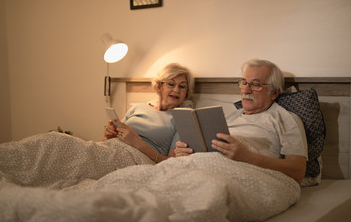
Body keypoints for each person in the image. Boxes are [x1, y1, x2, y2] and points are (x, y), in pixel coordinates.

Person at [175, 59, 308, 184]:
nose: (246, 90)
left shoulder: (285, 119)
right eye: (244, 82)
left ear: (274, 93)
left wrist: (248, 157)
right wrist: (184, 154)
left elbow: (298, 171)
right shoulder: (229, 117)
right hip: (201, 169)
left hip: (237, 177)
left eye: (256, 85)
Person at [103, 63, 194, 163]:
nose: (176, 90)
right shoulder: (137, 107)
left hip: (134, 159)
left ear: (186, 93)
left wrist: (136, 142)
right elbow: (108, 141)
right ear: (159, 86)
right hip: (110, 149)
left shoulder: (182, 119)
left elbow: (171, 162)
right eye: (171, 84)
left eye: (182, 86)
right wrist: (109, 136)